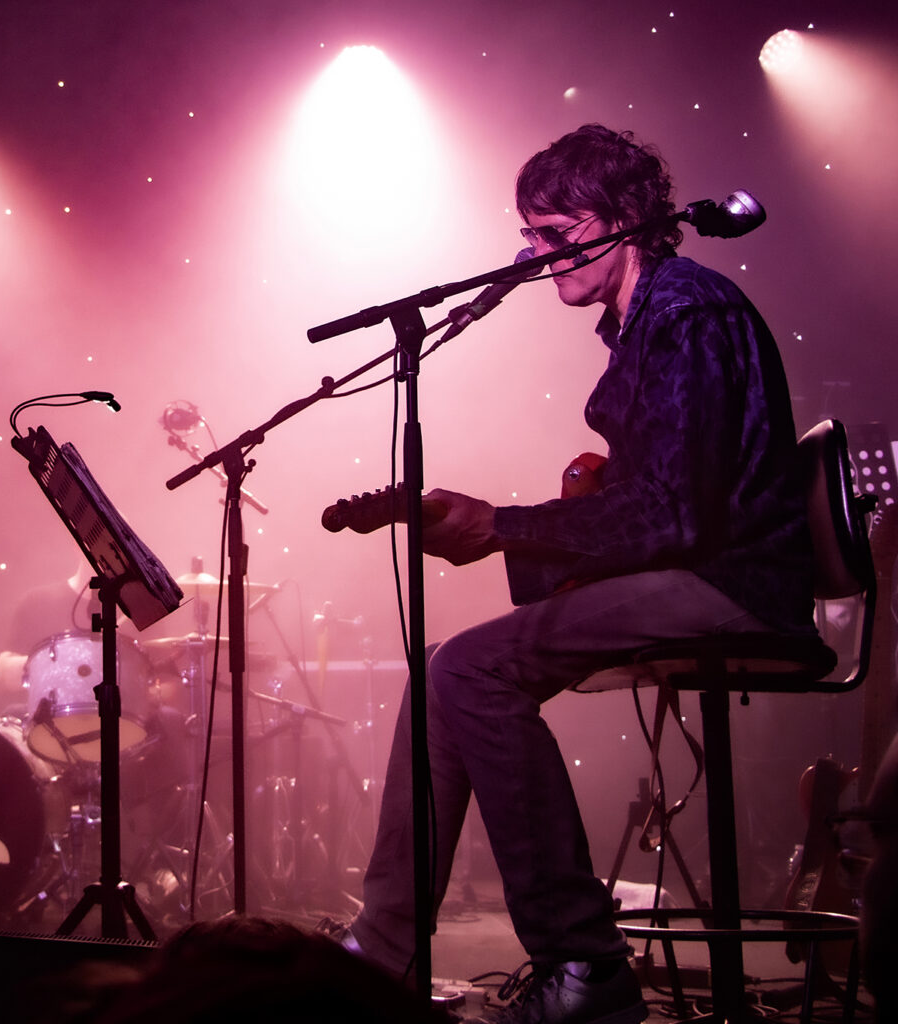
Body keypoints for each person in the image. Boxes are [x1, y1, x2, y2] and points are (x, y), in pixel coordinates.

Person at [342, 125, 814, 1024]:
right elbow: (649, 498)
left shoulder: (687, 311)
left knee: (472, 667)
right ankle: (384, 951)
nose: (536, 255)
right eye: (530, 235)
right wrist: (507, 533)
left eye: (557, 234)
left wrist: (504, 528)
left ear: (628, 221)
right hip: (703, 571)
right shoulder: (640, 322)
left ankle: (584, 965)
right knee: (440, 665)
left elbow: (677, 513)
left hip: (737, 583)